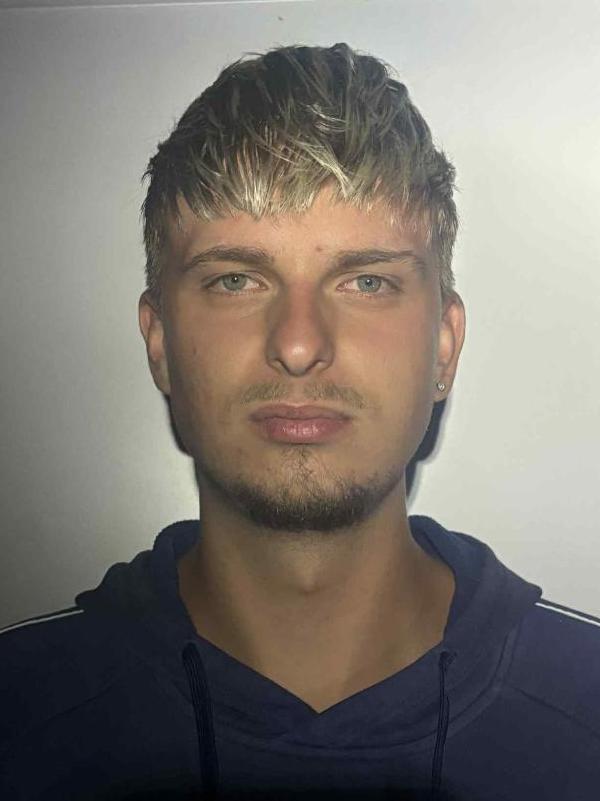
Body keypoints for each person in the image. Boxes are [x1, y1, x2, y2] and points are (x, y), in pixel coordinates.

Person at [1, 42, 599, 801]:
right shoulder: (19, 711)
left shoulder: (586, 703)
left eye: (367, 281)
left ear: (444, 347)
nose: (297, 344)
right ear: (159, 345)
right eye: (236, 279)